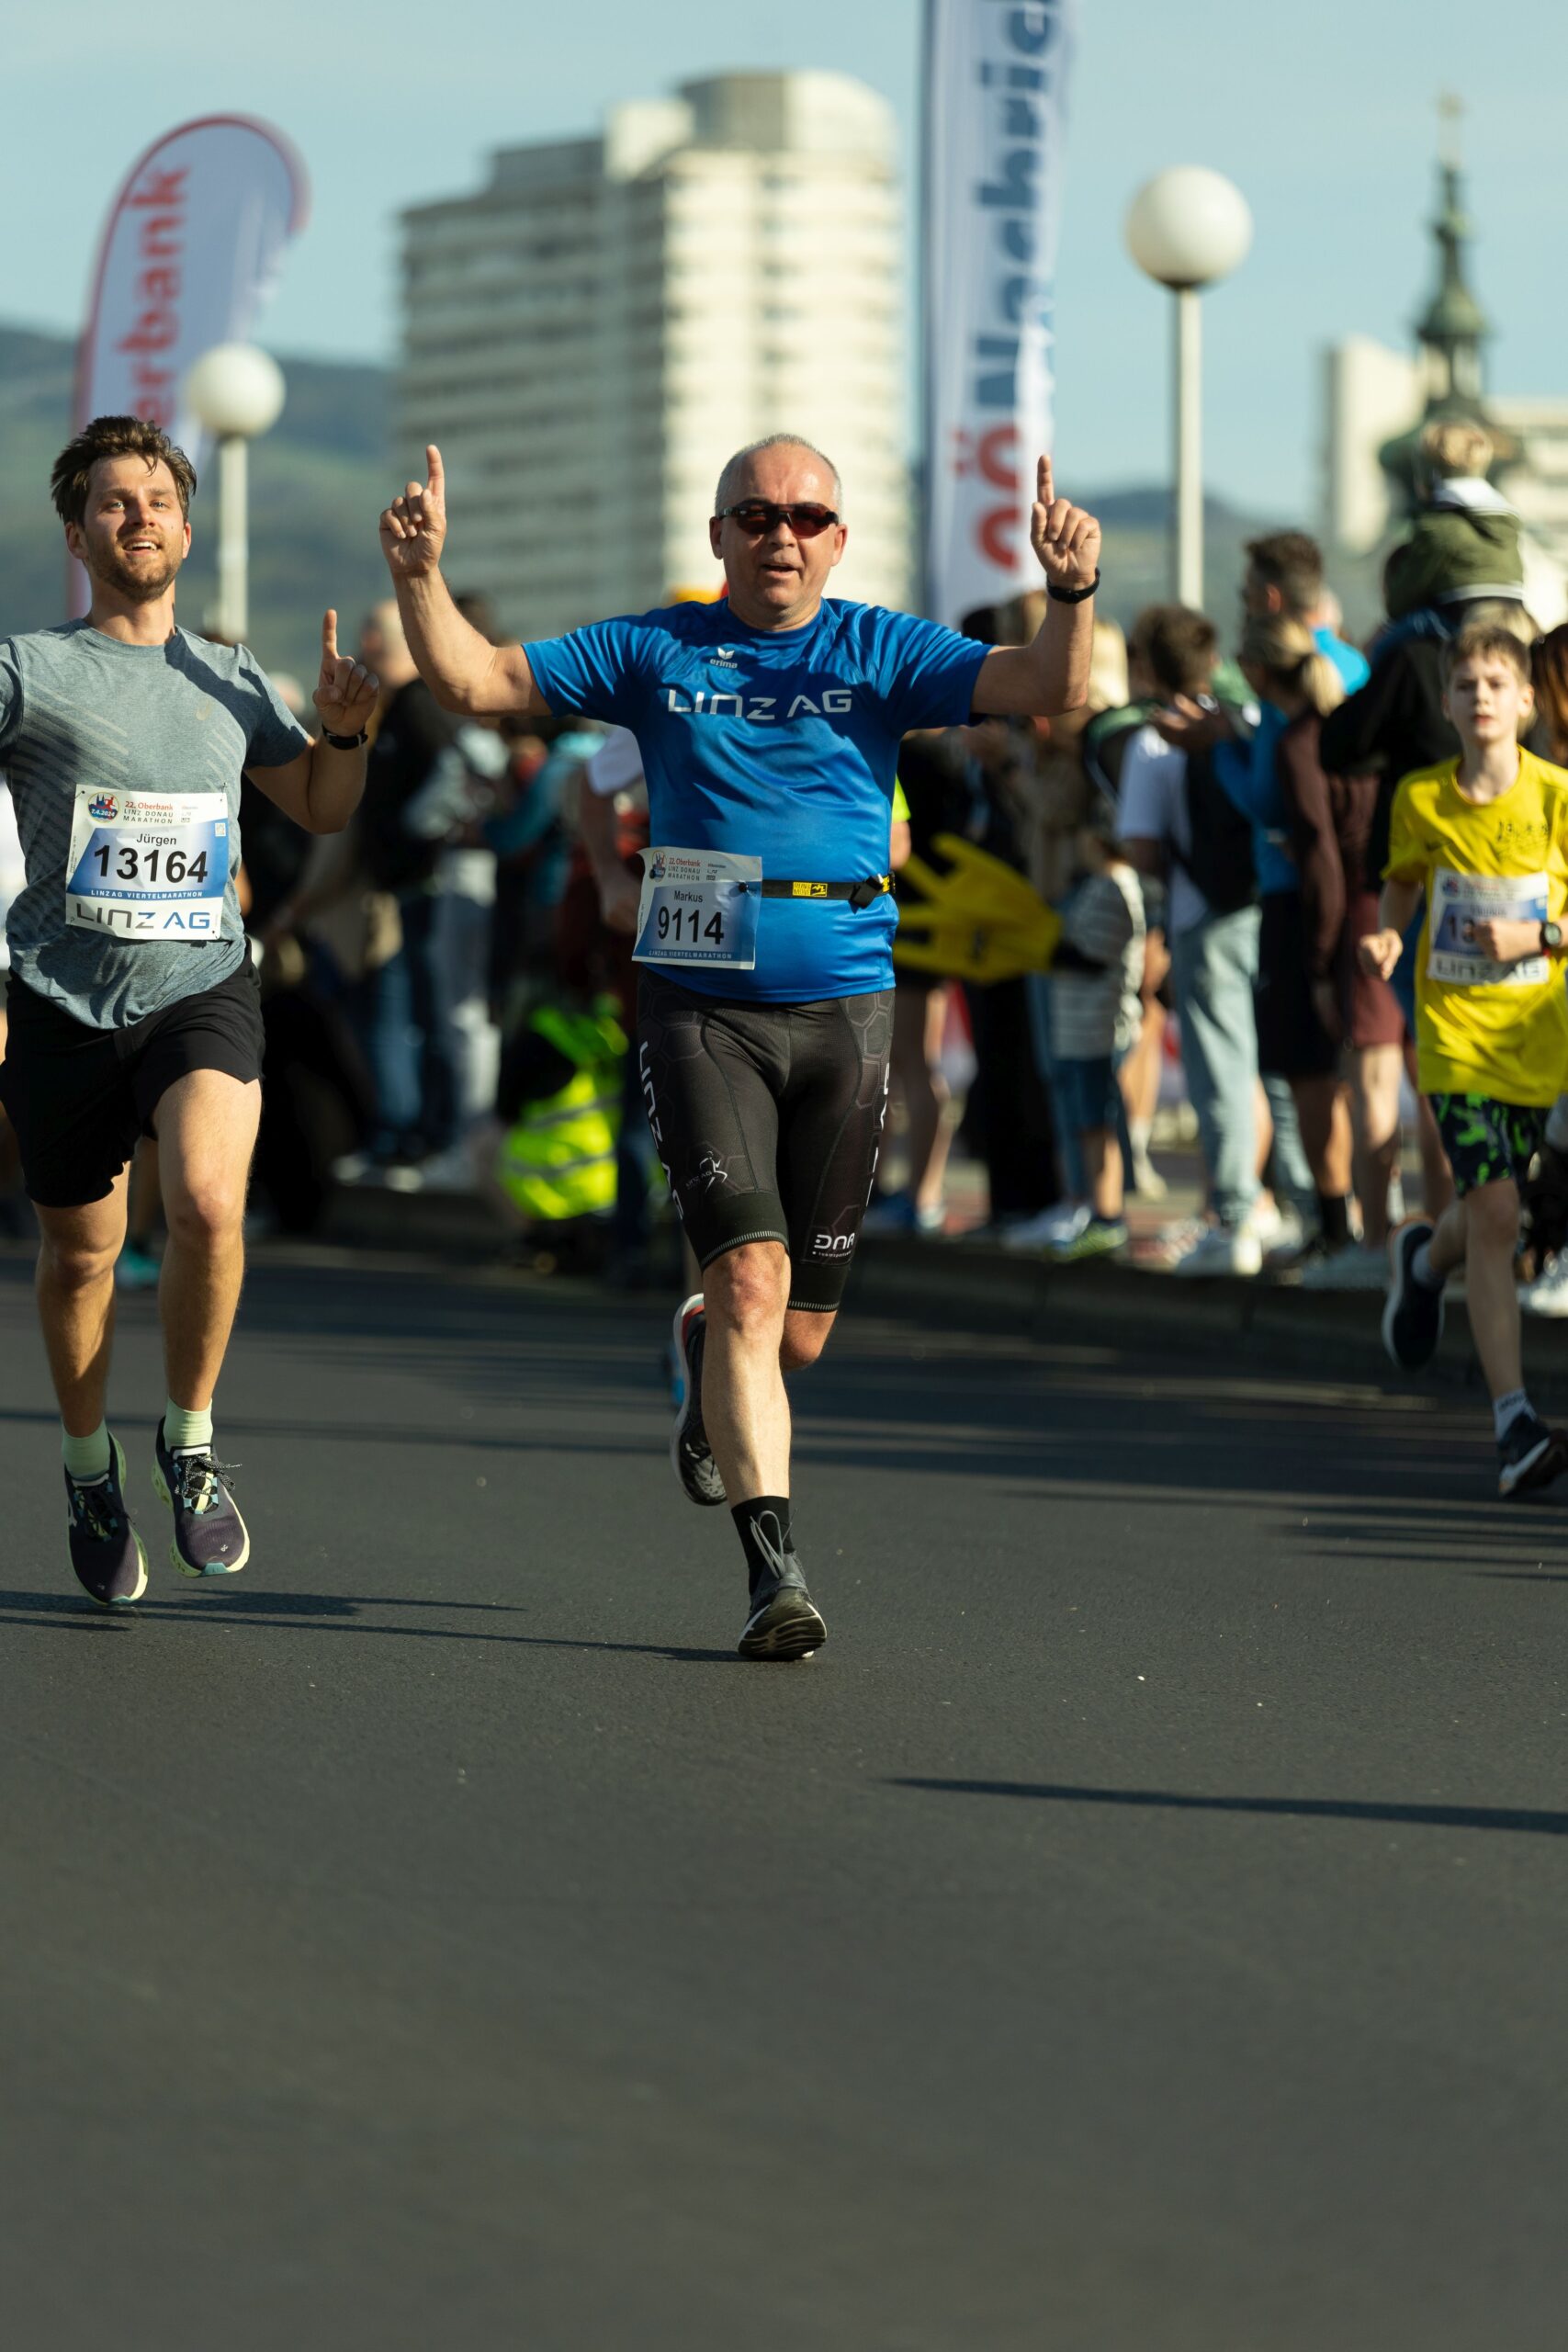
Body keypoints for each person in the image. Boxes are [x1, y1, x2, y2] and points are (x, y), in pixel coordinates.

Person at [380, 435, 1101, 1657]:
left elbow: (1047, 687)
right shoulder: (657, 649)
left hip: (847, 1008)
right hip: (700, 1007)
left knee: (794, 1334)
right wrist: (419, 579)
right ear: (717, 535)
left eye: (806, 518)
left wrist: (1072, 591)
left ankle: (711, 1346)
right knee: (752, 1282)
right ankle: (775, 1575)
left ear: (838, 539)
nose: (780, 536)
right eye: (755, 515)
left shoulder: (879, 648)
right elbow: (479, 682)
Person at [0, 414, 377, 1606]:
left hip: (199, 981)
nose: (141, 517)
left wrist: (348, 728)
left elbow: (321, 803)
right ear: (78, 535)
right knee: (83, 1255)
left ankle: (191, 1440)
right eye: (115, 502)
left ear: (187, 528)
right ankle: (88, 1466)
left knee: (211, 1205)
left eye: (159, 500)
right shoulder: (27, 670)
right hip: (60, 995)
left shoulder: (231, 674)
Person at [1359, 623, 1568, 1497]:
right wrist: (1387, 934)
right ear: (1445, 704)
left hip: (1539, 1040)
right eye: (1464, 684)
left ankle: (1421, 1261)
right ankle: (1513, 1422)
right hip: (1454, 1040)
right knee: (1494, 1210)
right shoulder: (1420, 798)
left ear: (1525, 702)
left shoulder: (1556, 796)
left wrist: (1538, 936)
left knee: (1494, 1214)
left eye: (1494, 683)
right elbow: (1402, 881)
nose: (1479, 696)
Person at [1119, 605, 1270, 1275]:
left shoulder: (1154, 740)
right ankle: (1278, 1204)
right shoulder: (1243, 720)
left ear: (1148, 667)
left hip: (1199, 915)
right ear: (1211, 659)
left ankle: (1232, 1216)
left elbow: (1141, 846)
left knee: (1220, 1072)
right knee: (1265, 1069)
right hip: (1262, 905)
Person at [1235, 613, 1362, 1278]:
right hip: (1343, 908)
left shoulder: (1295, 740)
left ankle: (1338, 1228)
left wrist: (1316, 960)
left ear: (1259, 670)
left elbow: (1316, 848)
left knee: (1313, 1077)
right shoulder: (1338, 728)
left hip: (1307, 914)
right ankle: (1351, 1223)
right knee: (1344, 1077)